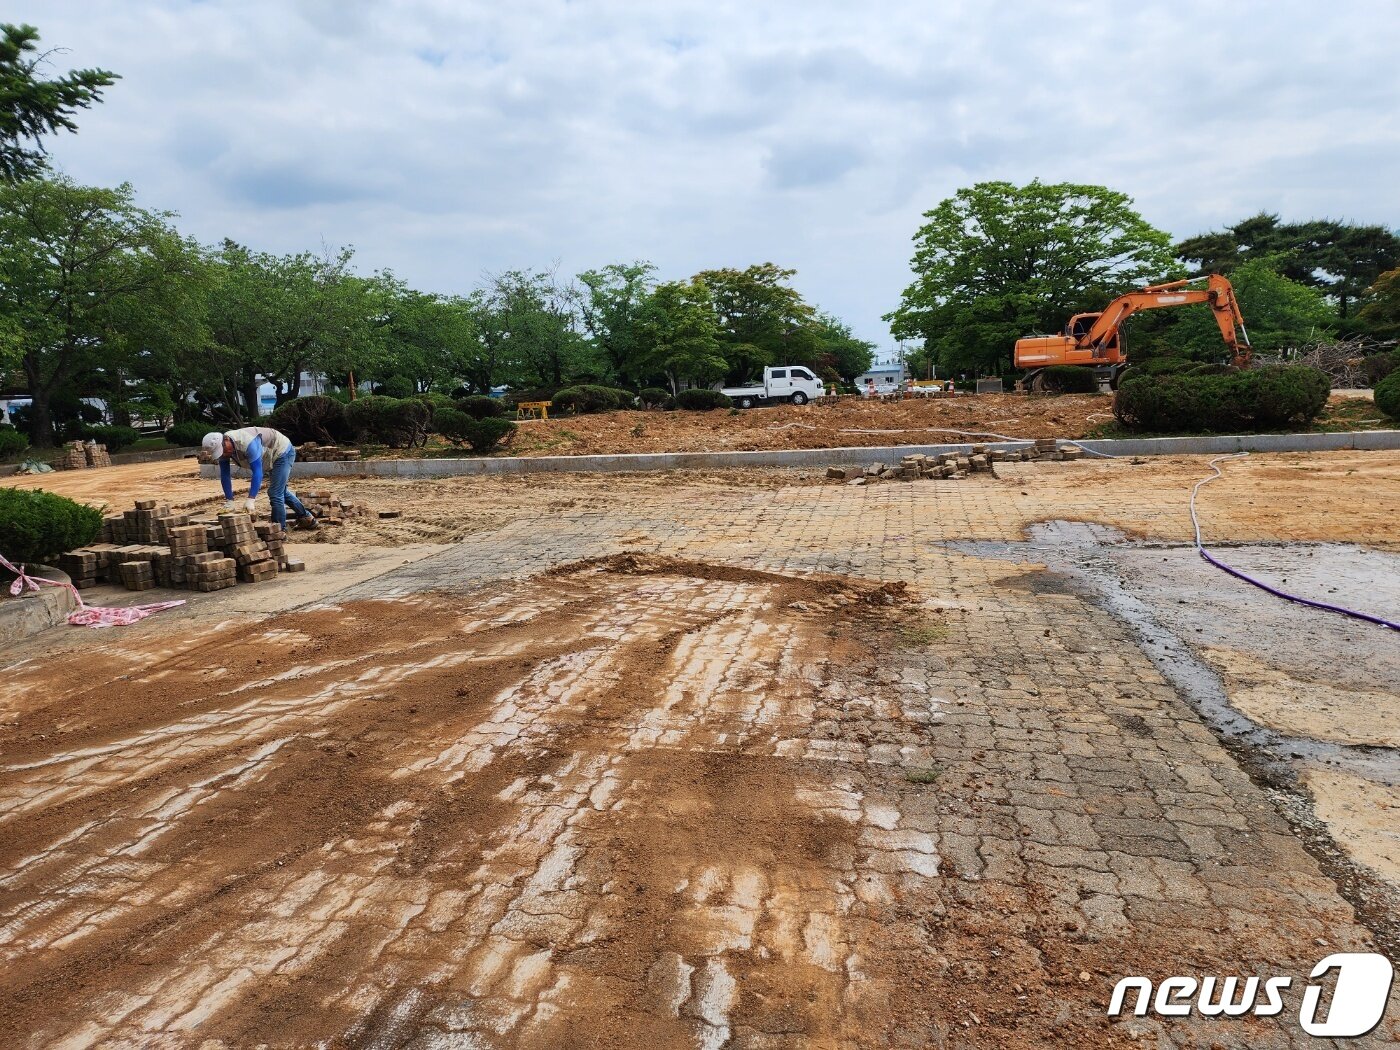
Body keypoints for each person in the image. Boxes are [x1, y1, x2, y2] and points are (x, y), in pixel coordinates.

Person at [201, 426, 316, 531]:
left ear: (226, 439)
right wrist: (229, 500)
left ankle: (279, 531)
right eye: (221, 453)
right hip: (267, 457)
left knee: (275, 493)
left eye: (224, 450)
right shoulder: (224, 450)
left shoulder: (247, 442)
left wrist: (251, 499)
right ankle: (307, 518)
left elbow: (258, 473)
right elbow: (225, 475)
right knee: (281, 492)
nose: (225, 454)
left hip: (281, 452)